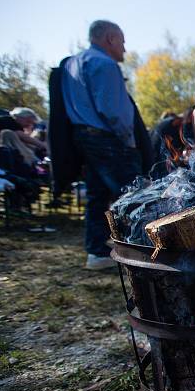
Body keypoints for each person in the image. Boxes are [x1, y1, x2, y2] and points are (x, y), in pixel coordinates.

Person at [62, 20, 142, 270]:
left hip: (84, 136)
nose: (125, 49)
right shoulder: (103, 64)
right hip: (106, 138)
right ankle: (141, 251)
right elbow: (112, 110)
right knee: (133, 193)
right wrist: (128, 141)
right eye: (123, 42)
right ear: (110, 38)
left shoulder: (73, 63)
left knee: (97, 196)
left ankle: (96, 252)